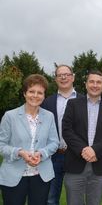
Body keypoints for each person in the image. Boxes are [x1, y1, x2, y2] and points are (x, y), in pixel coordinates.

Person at [0, 74, 59, 205]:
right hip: (13, 175)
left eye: (40, 93)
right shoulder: (10, 116)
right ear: (24, 93)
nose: (35, 95)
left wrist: (41, 153)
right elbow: (1, 145)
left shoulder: (49, 116)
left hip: (41, 175)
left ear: (44, 96)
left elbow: (54, 142)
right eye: (31, 91)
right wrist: (19, 152)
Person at [62, 70, 102, 205]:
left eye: (99, 82)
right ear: (86, 84)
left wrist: (94, 150)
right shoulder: (72, 104)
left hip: (98, 165)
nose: (95, 85)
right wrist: (84, 149)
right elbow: (66, 130)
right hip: (75, 164)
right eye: (91, 81)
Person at [41, 65, 83, 205]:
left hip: (76, 156)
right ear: (55, 79)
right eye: (60, 75)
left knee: (76, 199)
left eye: (66, 74)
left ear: (73, 77)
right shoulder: (46, 102)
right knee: (51, 198)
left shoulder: (84, 101)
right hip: (53, 156)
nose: (63, 77)